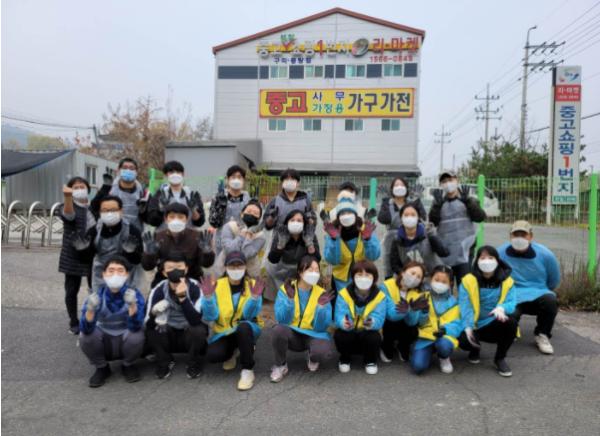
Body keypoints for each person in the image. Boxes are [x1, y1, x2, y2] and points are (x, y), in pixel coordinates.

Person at [199, 251, 265, 391]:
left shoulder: (253, 285)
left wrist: (254, 298)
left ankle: (247, 370)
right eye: (232, 266)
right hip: (225, 332)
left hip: (247, 328)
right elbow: (211, 317)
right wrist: (208, 299)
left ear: (245, 267)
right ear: (225, 268)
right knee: (213, 355)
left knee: (243, 327)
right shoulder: (217, 286)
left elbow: (249, 315)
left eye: (239, 266)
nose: (236, 269)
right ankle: (234, 351)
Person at [79, 256, 145, 387]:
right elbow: (85, 329)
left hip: (125, 336)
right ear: (104, 274)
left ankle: (128, 365)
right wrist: (90, 310)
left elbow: (136, 326)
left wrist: (133, 306)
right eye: (111, 271)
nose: (115, 275)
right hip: (104, 338)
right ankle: (101, 367)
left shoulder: (134, 295)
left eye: (120, 271)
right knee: (85, 336)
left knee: (137, 335)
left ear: (127, 275)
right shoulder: (97, 295)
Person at [498, 220, 560, 355]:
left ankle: (542, 334)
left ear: (531, 236)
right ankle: (511, 331)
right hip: (513, 295)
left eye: (523, 235)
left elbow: (553, 280)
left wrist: (543, 291)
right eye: (516, 235)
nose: (519, 238)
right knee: (508, 314)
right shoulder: (500, 253)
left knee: (550, 300)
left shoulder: (545, 255)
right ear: (510, 236)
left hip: (538, 294)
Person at [270, 256, 335, 382]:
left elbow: (321, 328)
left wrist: (321, 308)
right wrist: (289, 300)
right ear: (300, 272)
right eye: (310, 270)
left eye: (317, 270)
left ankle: (312, 356)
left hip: (312, 335)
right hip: (292, 334)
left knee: (323, 352)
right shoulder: (286, 289)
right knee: (278, 330)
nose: (314, 273)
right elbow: (282, 320)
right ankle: (280, 365)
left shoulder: (322, 293)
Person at [145, 253, 208, 379]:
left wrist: (183, 298)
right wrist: (153, 313)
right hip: (168, 333)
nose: (175, 271)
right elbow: (148, 324)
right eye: (170, 268)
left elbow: (196, 320)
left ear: (186, 269)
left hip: (188, 332)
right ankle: (164, 360)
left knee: (199, 330)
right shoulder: (159, 289)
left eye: (179, 267)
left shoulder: (195, 287)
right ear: (164, 272)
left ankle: (193, 362)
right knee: (152, 330)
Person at [458, 246, 518, 377]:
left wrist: (502, 308)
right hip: (474, 324)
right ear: (477, 261)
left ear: (497, 261)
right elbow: (465, 306)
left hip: (492, 322)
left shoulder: (507, 281)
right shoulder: (468, 280)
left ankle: (500, 358)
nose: (487, 261)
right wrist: (468, 326)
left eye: (491, 258)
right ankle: (475, 348)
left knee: (511, 323)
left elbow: (512, 302)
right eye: (483, 258)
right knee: (464, 341)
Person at [429, 169, 486, 285]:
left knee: (465, 284)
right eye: (444, 181)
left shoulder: (469, 199)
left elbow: (480, 217)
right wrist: (437, 206)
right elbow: (433, 222)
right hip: (445, 252)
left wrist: (468, 202)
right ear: (441, 185)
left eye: (450, 180)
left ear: (457, 180)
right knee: (444, 285)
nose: (448, 183)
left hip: (465, 251)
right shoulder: (438, 202)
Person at [74, 195, 143, 291]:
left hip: (126, 277)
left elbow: (139, 260)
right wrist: (82, 251)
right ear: (100, 212)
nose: (109, 213)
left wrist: (130, 253)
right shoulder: (94, 231)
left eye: (113, 210)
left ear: (121, 211)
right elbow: (87, 260)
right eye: (105, 210)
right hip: (100, 277)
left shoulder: (132, 231)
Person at [141, 203, 215, 287]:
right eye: (172, 217)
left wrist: (207, 252)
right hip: (165, 277)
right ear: (166, 219)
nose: (176, 220)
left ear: (186, 219)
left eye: (180, 217)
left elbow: (207, 264)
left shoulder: (197, 236)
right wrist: (149, 254)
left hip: (192, 276)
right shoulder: (158, 237)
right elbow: (147, 267)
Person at [334, 260, 387, 375]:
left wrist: (372, 322)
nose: (363, 278)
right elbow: (339, 314)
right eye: (359, 274)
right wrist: (344, 322)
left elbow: (379, 317)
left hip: (366, 333)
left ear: (374, 278)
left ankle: (370, 361)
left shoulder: (380, 296)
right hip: (350, 332)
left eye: (367, 275)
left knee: (374, 337)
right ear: (353, 277)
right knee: (340, 334)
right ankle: (345, 358)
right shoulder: (343, 293)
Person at [410, 265, 463, 375]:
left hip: (444, 338)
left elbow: (457, 324)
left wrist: (445, 330)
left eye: (444, 282)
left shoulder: (454, 303)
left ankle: (444, 357)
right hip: (426, 337)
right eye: (437, 280)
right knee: (418, 367)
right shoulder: (423, 297)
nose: (440, 284)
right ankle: (424, 350)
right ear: (431, 280)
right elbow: (417, 323)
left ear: (450, 284)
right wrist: (423, 313)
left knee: (444, 346)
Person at [59, 176, 95, 335]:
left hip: (92, 253)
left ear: (88, 189)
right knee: (72, 290)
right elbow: (69, 216)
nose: (80, 189)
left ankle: (93, 318)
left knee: (95, 288)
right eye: (76, 187)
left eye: (82, 186)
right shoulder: (67, 206)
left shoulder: (93, 207)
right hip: (73, 254)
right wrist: (67, 197)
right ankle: (73, 321)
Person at [324, 197, 380, 292]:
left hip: (364, 275)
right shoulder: (333, 231)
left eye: (349, 213)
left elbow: (373, 256)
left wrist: (368, 240)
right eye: (342, 213)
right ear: (338, 217)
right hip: (341, 280)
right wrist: (334, 240)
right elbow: (333, 260)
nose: (346, 216)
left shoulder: (365, 229)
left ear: (355, 215)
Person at [379, 261, 429, 363]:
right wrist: (404, 310)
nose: (414, 278)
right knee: (390, 324)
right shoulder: (387, 286)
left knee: (412, 329)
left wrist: (412, 310)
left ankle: (402, 346)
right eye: (412, 273)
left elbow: (412, 322)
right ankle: (386, 346)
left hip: (406, 325)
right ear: (403, 272)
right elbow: (389, 315)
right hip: (389, 322)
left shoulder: (418, 294)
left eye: (419, 277)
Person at [265, 209, 320, 300]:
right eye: (292, 220)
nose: (295, 223)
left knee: (301, 298)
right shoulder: (280, 234)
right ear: (287, 222)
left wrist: (309, 244)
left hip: (302, 272)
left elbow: (317, 259)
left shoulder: (310, 235)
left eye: (299, 220)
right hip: (281, 272)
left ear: (304, 223)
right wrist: (281, 244)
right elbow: (272, 259)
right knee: (284, 298)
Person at [378, 177, 427, 278]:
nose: (399, 187)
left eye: (402, 185)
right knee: (389, 267)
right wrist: (385, 201)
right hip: (391, 239)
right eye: (396, 185)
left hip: (409, 238)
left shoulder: (412, 203)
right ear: (392, 189)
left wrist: (417, 200)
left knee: (409, 265)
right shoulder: (389, 203)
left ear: (406, 188)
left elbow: (423, 217)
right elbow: (383, 219)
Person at [389, 204, 448, 276]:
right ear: (401, 218)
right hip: (412, 278)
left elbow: (444, 252)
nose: (409, 218)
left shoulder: (428, 234)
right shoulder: (397, 240)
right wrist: (405, 275)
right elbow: (395, 265)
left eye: (413, 215)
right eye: (406, 215)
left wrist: (433, 237)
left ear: (418, 217)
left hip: (433, 276)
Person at [91, 157, 147, 231]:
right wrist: (105, 188)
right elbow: (94, 207)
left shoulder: (142, 190)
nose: (128, 170)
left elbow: (148, 218)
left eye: (131, 168)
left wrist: (144, 212)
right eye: (125, 168)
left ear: (136, 172)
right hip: (112, 231)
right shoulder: (110, 188)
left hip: (135, 231)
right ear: (118, 170)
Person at [214, 199, 266, 278]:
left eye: (255, 213)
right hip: (225, 269)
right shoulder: (230, 226)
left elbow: (246, 254)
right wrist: (242, 235)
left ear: (258, 219)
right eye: (249, 211)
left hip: (249, 272)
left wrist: (249, 235)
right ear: (242, 214)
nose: (251, 214)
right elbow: (230, 250)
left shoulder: (261, 236)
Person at [146, 160, 205, 229]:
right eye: (171, 172)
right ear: (166, 175)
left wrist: (193, 210)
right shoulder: (159, 194)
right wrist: (162, 209)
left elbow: (200, 222)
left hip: (188, 234)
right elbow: (152, 221)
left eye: (178, 172)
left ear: (183, 174)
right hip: (164, 234)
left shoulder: (192, 194)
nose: (175, 175)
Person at [208, 165, 251, 254]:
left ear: (243, 180)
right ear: (227, 180)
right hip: (222, 242)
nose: (236, 180)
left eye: (239, 177)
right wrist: (220, 207)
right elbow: (213, 222)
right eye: (233, 177)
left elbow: (253, 222)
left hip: (241, 241)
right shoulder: (219, 197)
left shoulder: (248, 199)